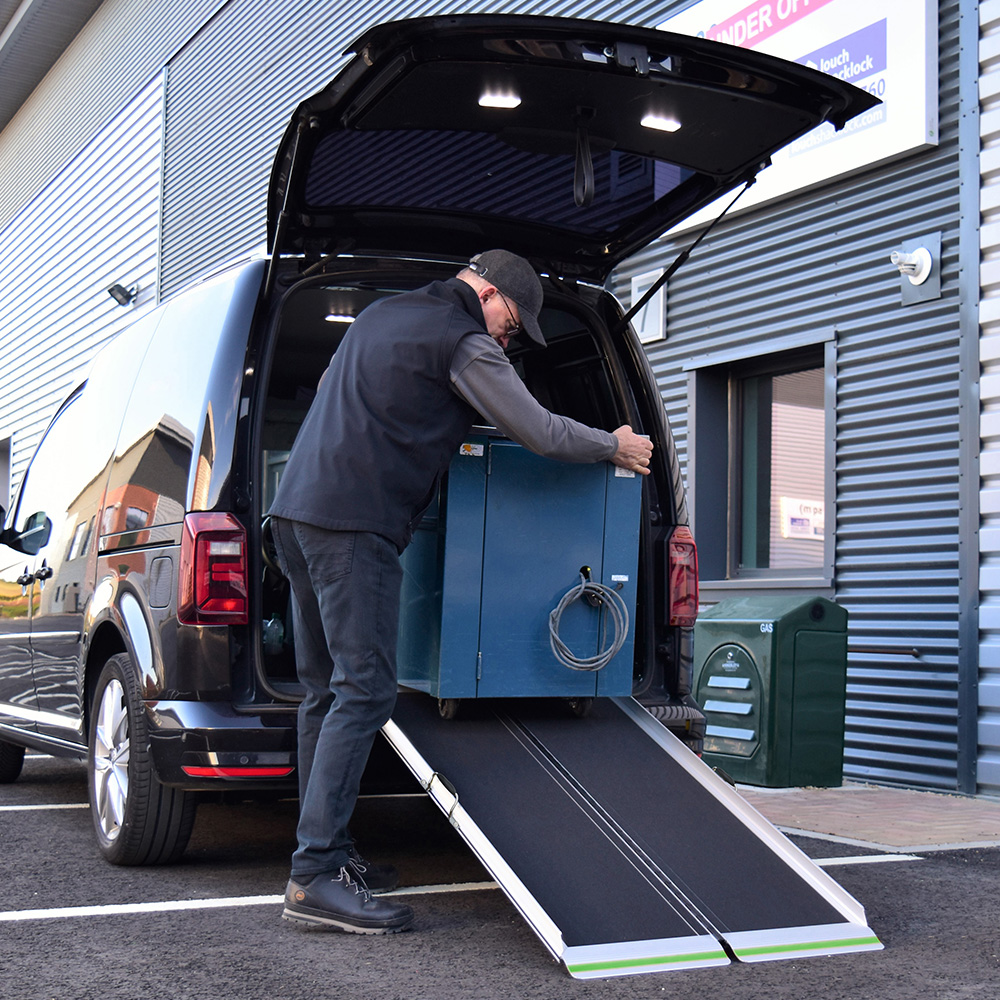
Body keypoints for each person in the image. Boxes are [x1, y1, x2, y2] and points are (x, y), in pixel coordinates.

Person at [268, 249, 653, 934]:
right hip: (356, 523)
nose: (510, 339)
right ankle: (315, 875)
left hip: (297, 512)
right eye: (513, 324)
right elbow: (535, 429)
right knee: (365, 691)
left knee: (325, 692)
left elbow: (337, 387)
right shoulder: (462, 339)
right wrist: (612, 444)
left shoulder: (384, 315)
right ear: (491, 294)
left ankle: (329, 854)